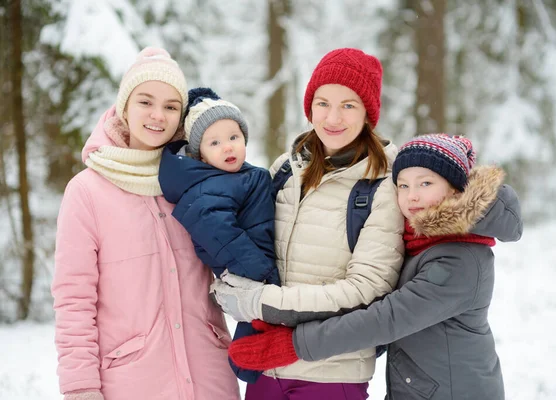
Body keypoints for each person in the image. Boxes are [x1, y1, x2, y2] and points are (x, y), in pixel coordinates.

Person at [226, 133, 524, 400]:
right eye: (403, 185)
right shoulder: (422, 241)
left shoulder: (459, 258)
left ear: (455, 189)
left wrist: (295, 343)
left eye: (425, 183)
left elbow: (385, 319)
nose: (412, 196)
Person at [211, 48, 405, 399]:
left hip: (332, 374)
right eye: (322, 102)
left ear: (367, 113)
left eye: (348, 105)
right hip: (266, 365)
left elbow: (365, 291)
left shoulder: (383, 184)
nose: (332, 117)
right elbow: (249, 242)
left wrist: (260, 302)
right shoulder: (286, 169)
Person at [52, 47, 240, 400]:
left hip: (211, 380)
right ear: (124, 106)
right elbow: (73, 301)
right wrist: (80, 389)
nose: (158, 115)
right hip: (131, 385)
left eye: (171, 106)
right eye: (145, 102)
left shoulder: (200, 182)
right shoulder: (86, 193)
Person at [158, 87, 280, 383]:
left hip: (261, 264)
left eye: (233, 138)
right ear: (200, 154)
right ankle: (247, 361)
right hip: (250, 273)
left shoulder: (239, 176)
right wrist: (264, 274)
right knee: (261, 328)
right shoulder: (205, 188)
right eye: (215, 143)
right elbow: (221, 235)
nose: (228, 147)